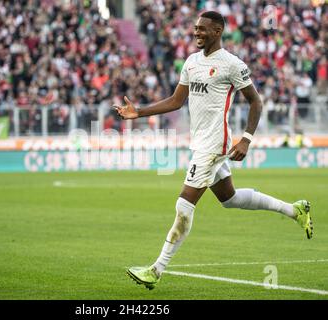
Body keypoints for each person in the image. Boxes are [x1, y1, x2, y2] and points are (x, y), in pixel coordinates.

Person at [114, 11, 313, 290]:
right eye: (195, 28)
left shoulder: (232, 64)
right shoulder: (192, 62)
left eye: (203, 29)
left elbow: (255, 102)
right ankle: (294, 210)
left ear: (218, 31)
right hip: (200, 143)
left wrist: (246, 139)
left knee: (184, 205)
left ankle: (156, 270)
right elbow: (176, 100)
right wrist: (140, 112)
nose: (197, 33)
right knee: (229, 198)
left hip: (214, 145)